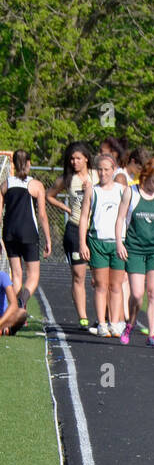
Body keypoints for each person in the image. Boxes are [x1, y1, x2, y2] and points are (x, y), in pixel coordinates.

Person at [115, 154, 154, 347]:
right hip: (134, 248)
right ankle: (130, 324)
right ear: (146, 176)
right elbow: (120, 220)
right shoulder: (130, 193)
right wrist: (119, 242)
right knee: (137, 294)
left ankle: (152, 334)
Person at [46, 142, 98, 327]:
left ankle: (104, 316)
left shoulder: (97, 175)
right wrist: (65, 208)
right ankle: (83, 317)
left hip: (96, 231)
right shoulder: (67, 179)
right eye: (72, 159)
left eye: (78, 158)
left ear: (86, 158)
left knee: (99, 277)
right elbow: (48, 195)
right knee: (78, 275)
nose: (74, 162)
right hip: (75, 230)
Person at [78, 152, 127, 336]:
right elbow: (84, 218)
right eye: (100, 169)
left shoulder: (122, 189)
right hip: (97, 242)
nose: (103, 173)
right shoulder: (92, 190)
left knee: (116, 285)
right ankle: (102, 323)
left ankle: (115, 323)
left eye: (106, 169)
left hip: (118, 243)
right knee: (100, 285)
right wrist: (82, 243)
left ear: (114, 170)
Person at [0, 150, 52, 307]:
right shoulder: (36, 185)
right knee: (33, 276)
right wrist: (48, 240)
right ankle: (21, 302)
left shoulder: (5, 184)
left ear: (13, 164)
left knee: (16, 275)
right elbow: (42, 215)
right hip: (28, 233)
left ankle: (14, 311)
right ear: (29, 163)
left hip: (9, 233)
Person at [0, 269, 28, 335]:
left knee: (22, 313)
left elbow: (14, 305)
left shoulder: (3, 276)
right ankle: (4, 330)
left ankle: (5, 329)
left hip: (3, 318)